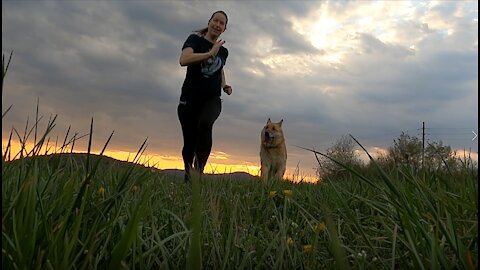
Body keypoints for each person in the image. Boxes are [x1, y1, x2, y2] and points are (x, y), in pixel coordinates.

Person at [178, 10, 233, 182]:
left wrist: (224, 85)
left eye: (221, 23)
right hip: (189, 99)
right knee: (189, 142)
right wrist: (210, 53)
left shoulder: (223, 51)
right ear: (209, 22)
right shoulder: (194, 40)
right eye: (215, 21)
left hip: (212, 98)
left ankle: (198, 173)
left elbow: (219, 67)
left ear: (224, 29)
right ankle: (188, 175)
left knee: (205, 124)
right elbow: (184, 59)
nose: (217, 24)